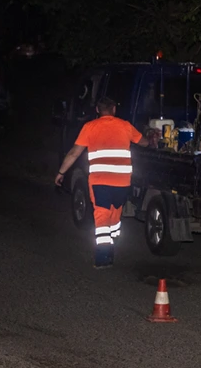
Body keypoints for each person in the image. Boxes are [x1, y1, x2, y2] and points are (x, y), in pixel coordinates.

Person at [54, 96, 153, 268]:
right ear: (114, 109)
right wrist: (151, 140)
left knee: (101, 215)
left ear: (98, 110)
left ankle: (103, 257)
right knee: (114, 213)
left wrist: (61, 172)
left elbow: (74, 153)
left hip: (100, 181)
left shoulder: (90, 127)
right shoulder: (125, 126)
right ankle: (112, 242)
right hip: (122, 182)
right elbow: (143, 142)